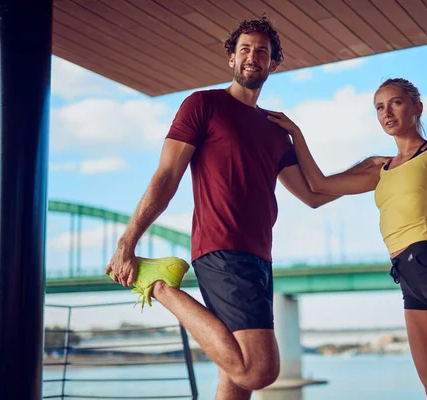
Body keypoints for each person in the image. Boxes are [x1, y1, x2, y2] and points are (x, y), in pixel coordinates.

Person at [105, 17, 387, 400]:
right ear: (231, 58)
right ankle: (157, 284)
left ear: (274, 64)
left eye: (262, 52)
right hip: (222, 247)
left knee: (236, 382)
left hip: (259, 257)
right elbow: (167, 175)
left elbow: (313, 194)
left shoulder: (274, 131)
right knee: (259, 369)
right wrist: (128, 242)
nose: (253, 57)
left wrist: (367, 169)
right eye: (245, 49)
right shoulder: (203, 104)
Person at [266, 77, 427, 399]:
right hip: (407, 274)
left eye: (396, 102)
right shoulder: (377, 168)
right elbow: (315, 189)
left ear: (417, 108)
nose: (387, 112)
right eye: (379, 107)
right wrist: (291, 136)